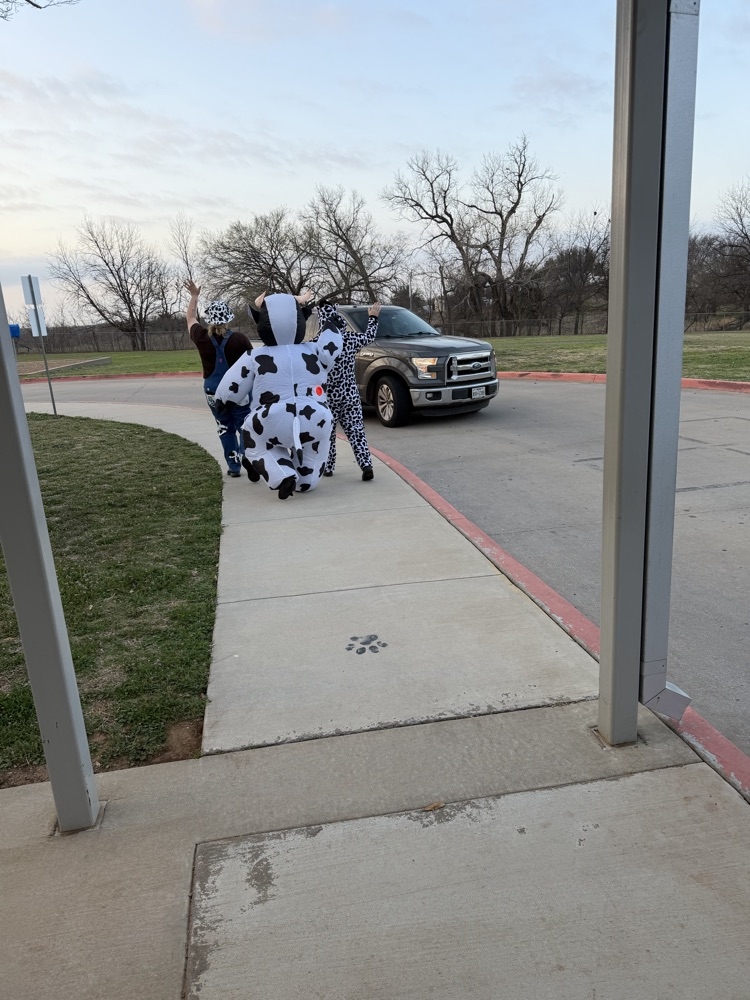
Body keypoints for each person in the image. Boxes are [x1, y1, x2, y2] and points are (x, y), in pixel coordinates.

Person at [214, 292, 344, 499]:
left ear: (261, 322)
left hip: (271, 418)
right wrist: (332, 327)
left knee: (255, 440)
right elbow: (331, 349)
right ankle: (306, 481)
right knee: (315, 449)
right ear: (301, 319)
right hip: (316, 417)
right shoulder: (312, 350)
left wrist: (223, 400)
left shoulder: (255, 356)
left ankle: (282, 475)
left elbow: (234, 382)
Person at [185, 279, 253, 477]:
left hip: (212, 390)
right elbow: (252, 364)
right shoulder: (240, 339)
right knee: (244, 425)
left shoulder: (200, 337)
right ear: (228, 319)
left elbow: (190, 318)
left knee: (224, 426)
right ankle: (245, 454)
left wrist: (194, 296)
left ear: (209, 319)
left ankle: (233, 467)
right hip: (238, 390)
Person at [318, 301, 381, 481]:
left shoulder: (317, 344)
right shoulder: (350, 339)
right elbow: (369, 336)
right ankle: (366, 464)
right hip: (350, 395)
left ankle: (328, 466)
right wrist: (373, 318)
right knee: (356, 431)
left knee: (327, 434)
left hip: (327, 397)